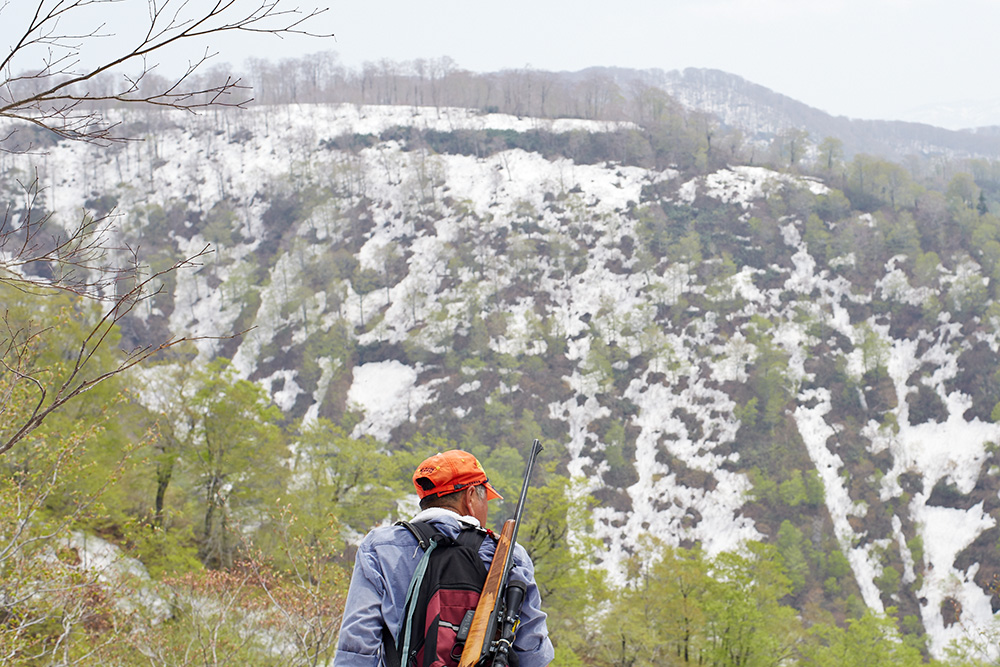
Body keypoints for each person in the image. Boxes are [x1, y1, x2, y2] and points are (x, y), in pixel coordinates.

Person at [334, 449, 554, 667]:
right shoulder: (508, 554)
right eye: (484, 497)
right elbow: (533, 652)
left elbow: (357, 642)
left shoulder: (380, 547)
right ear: (470, 497)